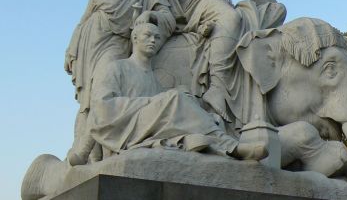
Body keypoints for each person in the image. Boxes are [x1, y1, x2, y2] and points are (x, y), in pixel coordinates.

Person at [69, 23, 268, 164]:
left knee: (187, 101)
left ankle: (214, 142)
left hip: (151, 128)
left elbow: (163, 111)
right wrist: (151, 103)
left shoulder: (155, 81)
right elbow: (102, 108)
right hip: (126, 129)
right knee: (174, 98)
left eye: (157, 37)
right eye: (147, 35)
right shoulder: (116, 68)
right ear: (135, 38)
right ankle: (231, 146)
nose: (153, 40)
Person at [65, 0, 176, 164]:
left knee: (104, 92)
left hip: (116, 44)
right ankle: (87, 154)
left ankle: (101, 152)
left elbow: (168, 17)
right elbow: (83, 21)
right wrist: (71, 49)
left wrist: (147, 15)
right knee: (88, 99)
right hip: (90, 43)